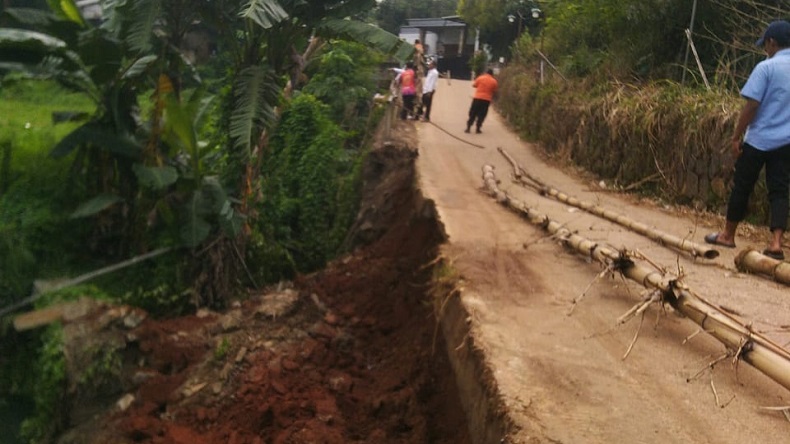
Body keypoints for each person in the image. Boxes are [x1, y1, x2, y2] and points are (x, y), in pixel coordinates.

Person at [704, 20, 790, 260]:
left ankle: (728, 235)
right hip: (786, 142)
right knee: (779, 191)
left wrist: (736, 136)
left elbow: (752, 105)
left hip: (759, 139)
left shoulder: (766, 67)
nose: (765, 49)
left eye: (766, 45)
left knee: (742, 185)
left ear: (772, 42)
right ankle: (776, 244)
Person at [465, 68, 498, 134]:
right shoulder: (494, 81)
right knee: (482, 114)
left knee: (473, 113)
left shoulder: (480, 78)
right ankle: (478, 129)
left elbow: (474, 85)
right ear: (492, 74)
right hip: (486, 100)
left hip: (477, 98)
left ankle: (468, 128)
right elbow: (494, 90)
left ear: (486, 72)